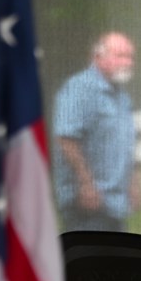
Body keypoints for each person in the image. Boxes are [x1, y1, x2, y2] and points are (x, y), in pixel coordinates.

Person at [53, 32, 136, 232]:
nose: (128, 62)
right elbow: (66, 138)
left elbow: (123, 143)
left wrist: (130, 183)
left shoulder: (122, 97)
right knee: (92, 261)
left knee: (114, 261)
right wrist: (86, 184)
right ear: (98, 57)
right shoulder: (78, 89)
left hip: (114, 202)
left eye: (130, 57)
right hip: (87, 203)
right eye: (120, 56)